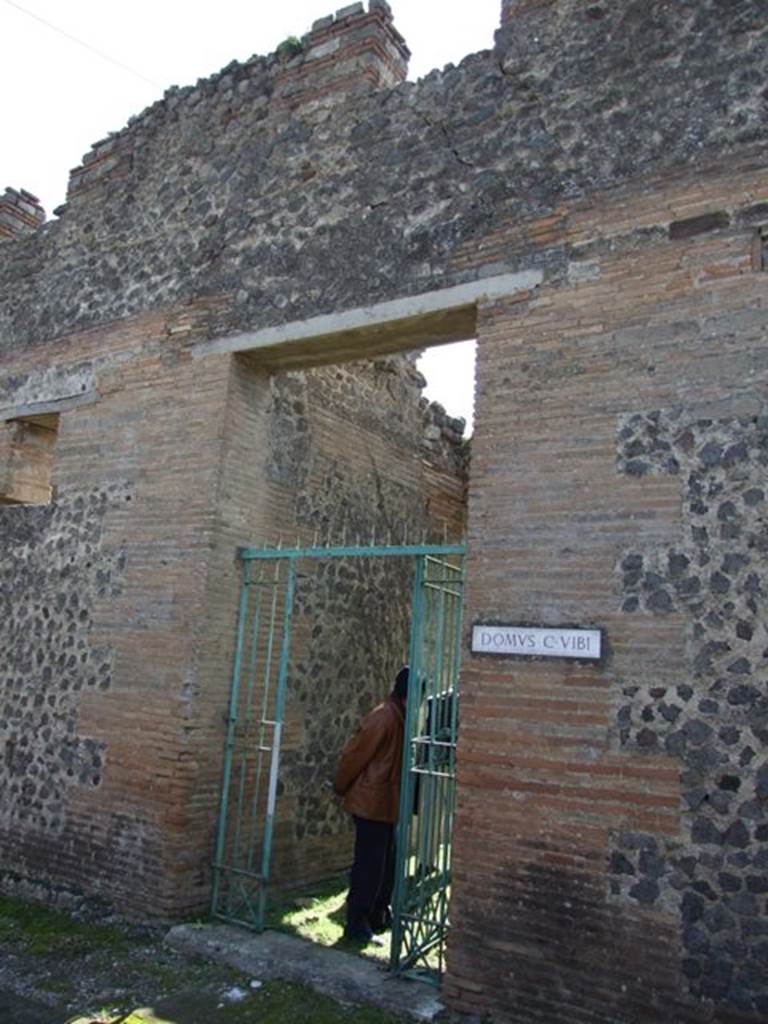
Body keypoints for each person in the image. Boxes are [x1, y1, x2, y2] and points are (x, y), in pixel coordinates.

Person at [333, 665, 409, 943]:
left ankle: (378, 913)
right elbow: (355, 754)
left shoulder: (399, 716)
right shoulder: (383, 718)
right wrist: (341, 785)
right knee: (370, 864)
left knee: (386, 862)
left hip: (386, 804)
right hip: (370, 802)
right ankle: (356, 922)